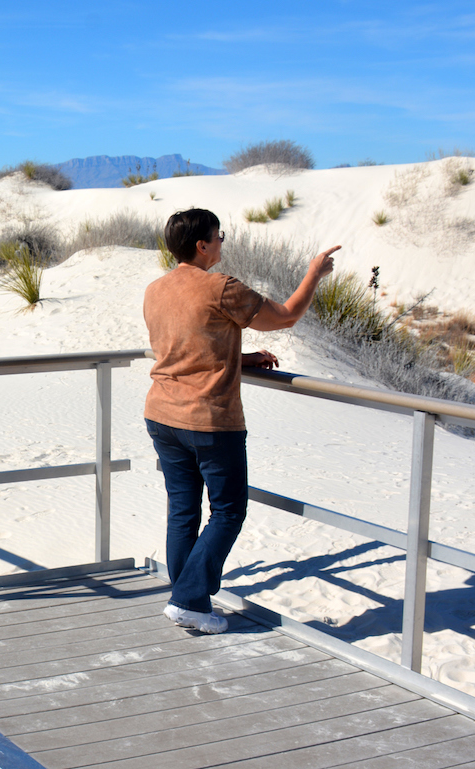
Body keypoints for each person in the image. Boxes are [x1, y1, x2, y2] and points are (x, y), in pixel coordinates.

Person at [144, 208, 337, 634]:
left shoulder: (156, 289)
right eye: (220, 236)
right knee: (229, 510)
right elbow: (284, 316)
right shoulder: (220, 287)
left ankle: (185, 598)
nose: (222, 243)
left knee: (183, 510)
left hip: (162, 413)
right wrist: (315, 273)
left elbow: (184, 347)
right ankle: (190, 600)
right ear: (202, 245)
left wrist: (240, 357)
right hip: (209, 418)